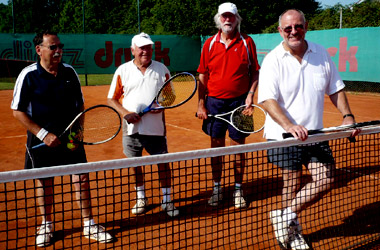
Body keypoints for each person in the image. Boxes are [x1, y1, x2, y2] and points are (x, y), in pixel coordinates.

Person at [257, 9, 360, 250]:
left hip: (315, 134)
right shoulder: (273, 59)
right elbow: (268, 100)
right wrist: (289, 125)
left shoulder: (321, 53)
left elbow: (335, 88)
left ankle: (284, 216)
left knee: (326, 178)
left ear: (306, 26)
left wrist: (347, 115)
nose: (294, 31)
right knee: (291, 182)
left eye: (298, 26)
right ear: (280, 31)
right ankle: (291, 232)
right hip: (282, 134)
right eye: (288, 28)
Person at [11, 30, 113, 247]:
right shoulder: (28, 75)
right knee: (45, 182)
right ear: (39, 50)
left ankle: (89, 224)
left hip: (70, 139)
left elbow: (80, 106)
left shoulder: (69, 72)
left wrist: (77, 133)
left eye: (60, 47)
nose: (58, 51)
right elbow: (17, 111)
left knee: (81, 180)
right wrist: (43, 134)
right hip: (41, 141)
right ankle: (46, 225)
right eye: (53, 47)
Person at [107, 32, 179, 217]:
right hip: (131, 129)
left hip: (156, 129)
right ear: (133, 50)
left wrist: (161, 105)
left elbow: (170, 96)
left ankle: (167, 200)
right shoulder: (122, 70)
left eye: (148, 47)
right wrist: (126, 114)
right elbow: (112, 99)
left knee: (163, 164)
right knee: (135, 165)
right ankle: (141, 198)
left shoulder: (162, 69)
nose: (145, 51)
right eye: (141, 47)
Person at [196, 2, 260, 208]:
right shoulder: (209, 44)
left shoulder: (247, 42)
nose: (227, 20)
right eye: (224, 16)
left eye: (231, 16)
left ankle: (238, 190)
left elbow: (255, 72)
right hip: (214, 104)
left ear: (237, 19)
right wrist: (201, 104)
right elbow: (203, 76)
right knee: (216, 148)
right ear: (218, 19)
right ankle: (217, 189)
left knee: (238, 147)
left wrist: (250, 95)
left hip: (240, 102)